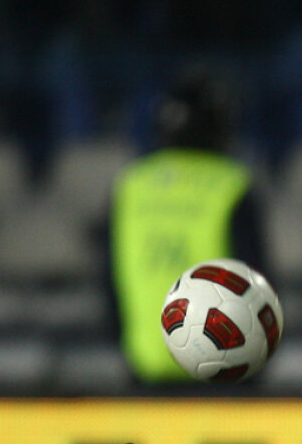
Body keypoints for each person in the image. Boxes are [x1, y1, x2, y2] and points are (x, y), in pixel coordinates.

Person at [106, 68, 270, 384]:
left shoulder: (131, 186)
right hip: (223, 369)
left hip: (146, 367)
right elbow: (257, 283)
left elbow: (110, 280)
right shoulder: (230, 185)